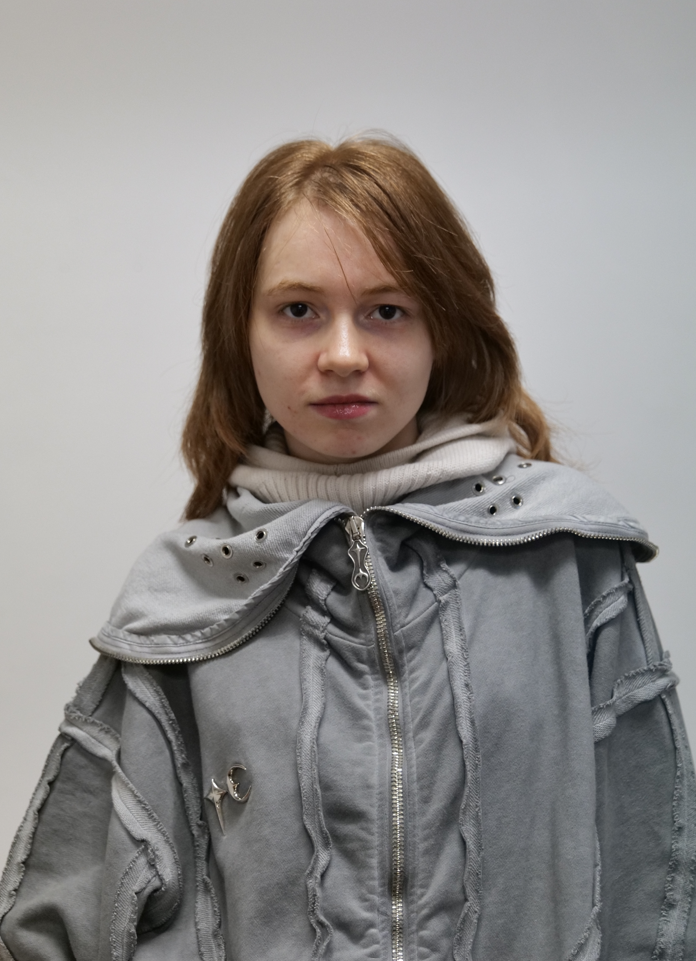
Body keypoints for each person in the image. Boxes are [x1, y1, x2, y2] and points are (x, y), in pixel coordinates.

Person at [0, 136, 693, 961]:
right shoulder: (180, 606)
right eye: (298, 310)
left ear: (443, 328)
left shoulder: (568, 559)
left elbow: (659, 889)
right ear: (240, 333)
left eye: (386, 310)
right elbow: (53, 922)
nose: (342, 355)